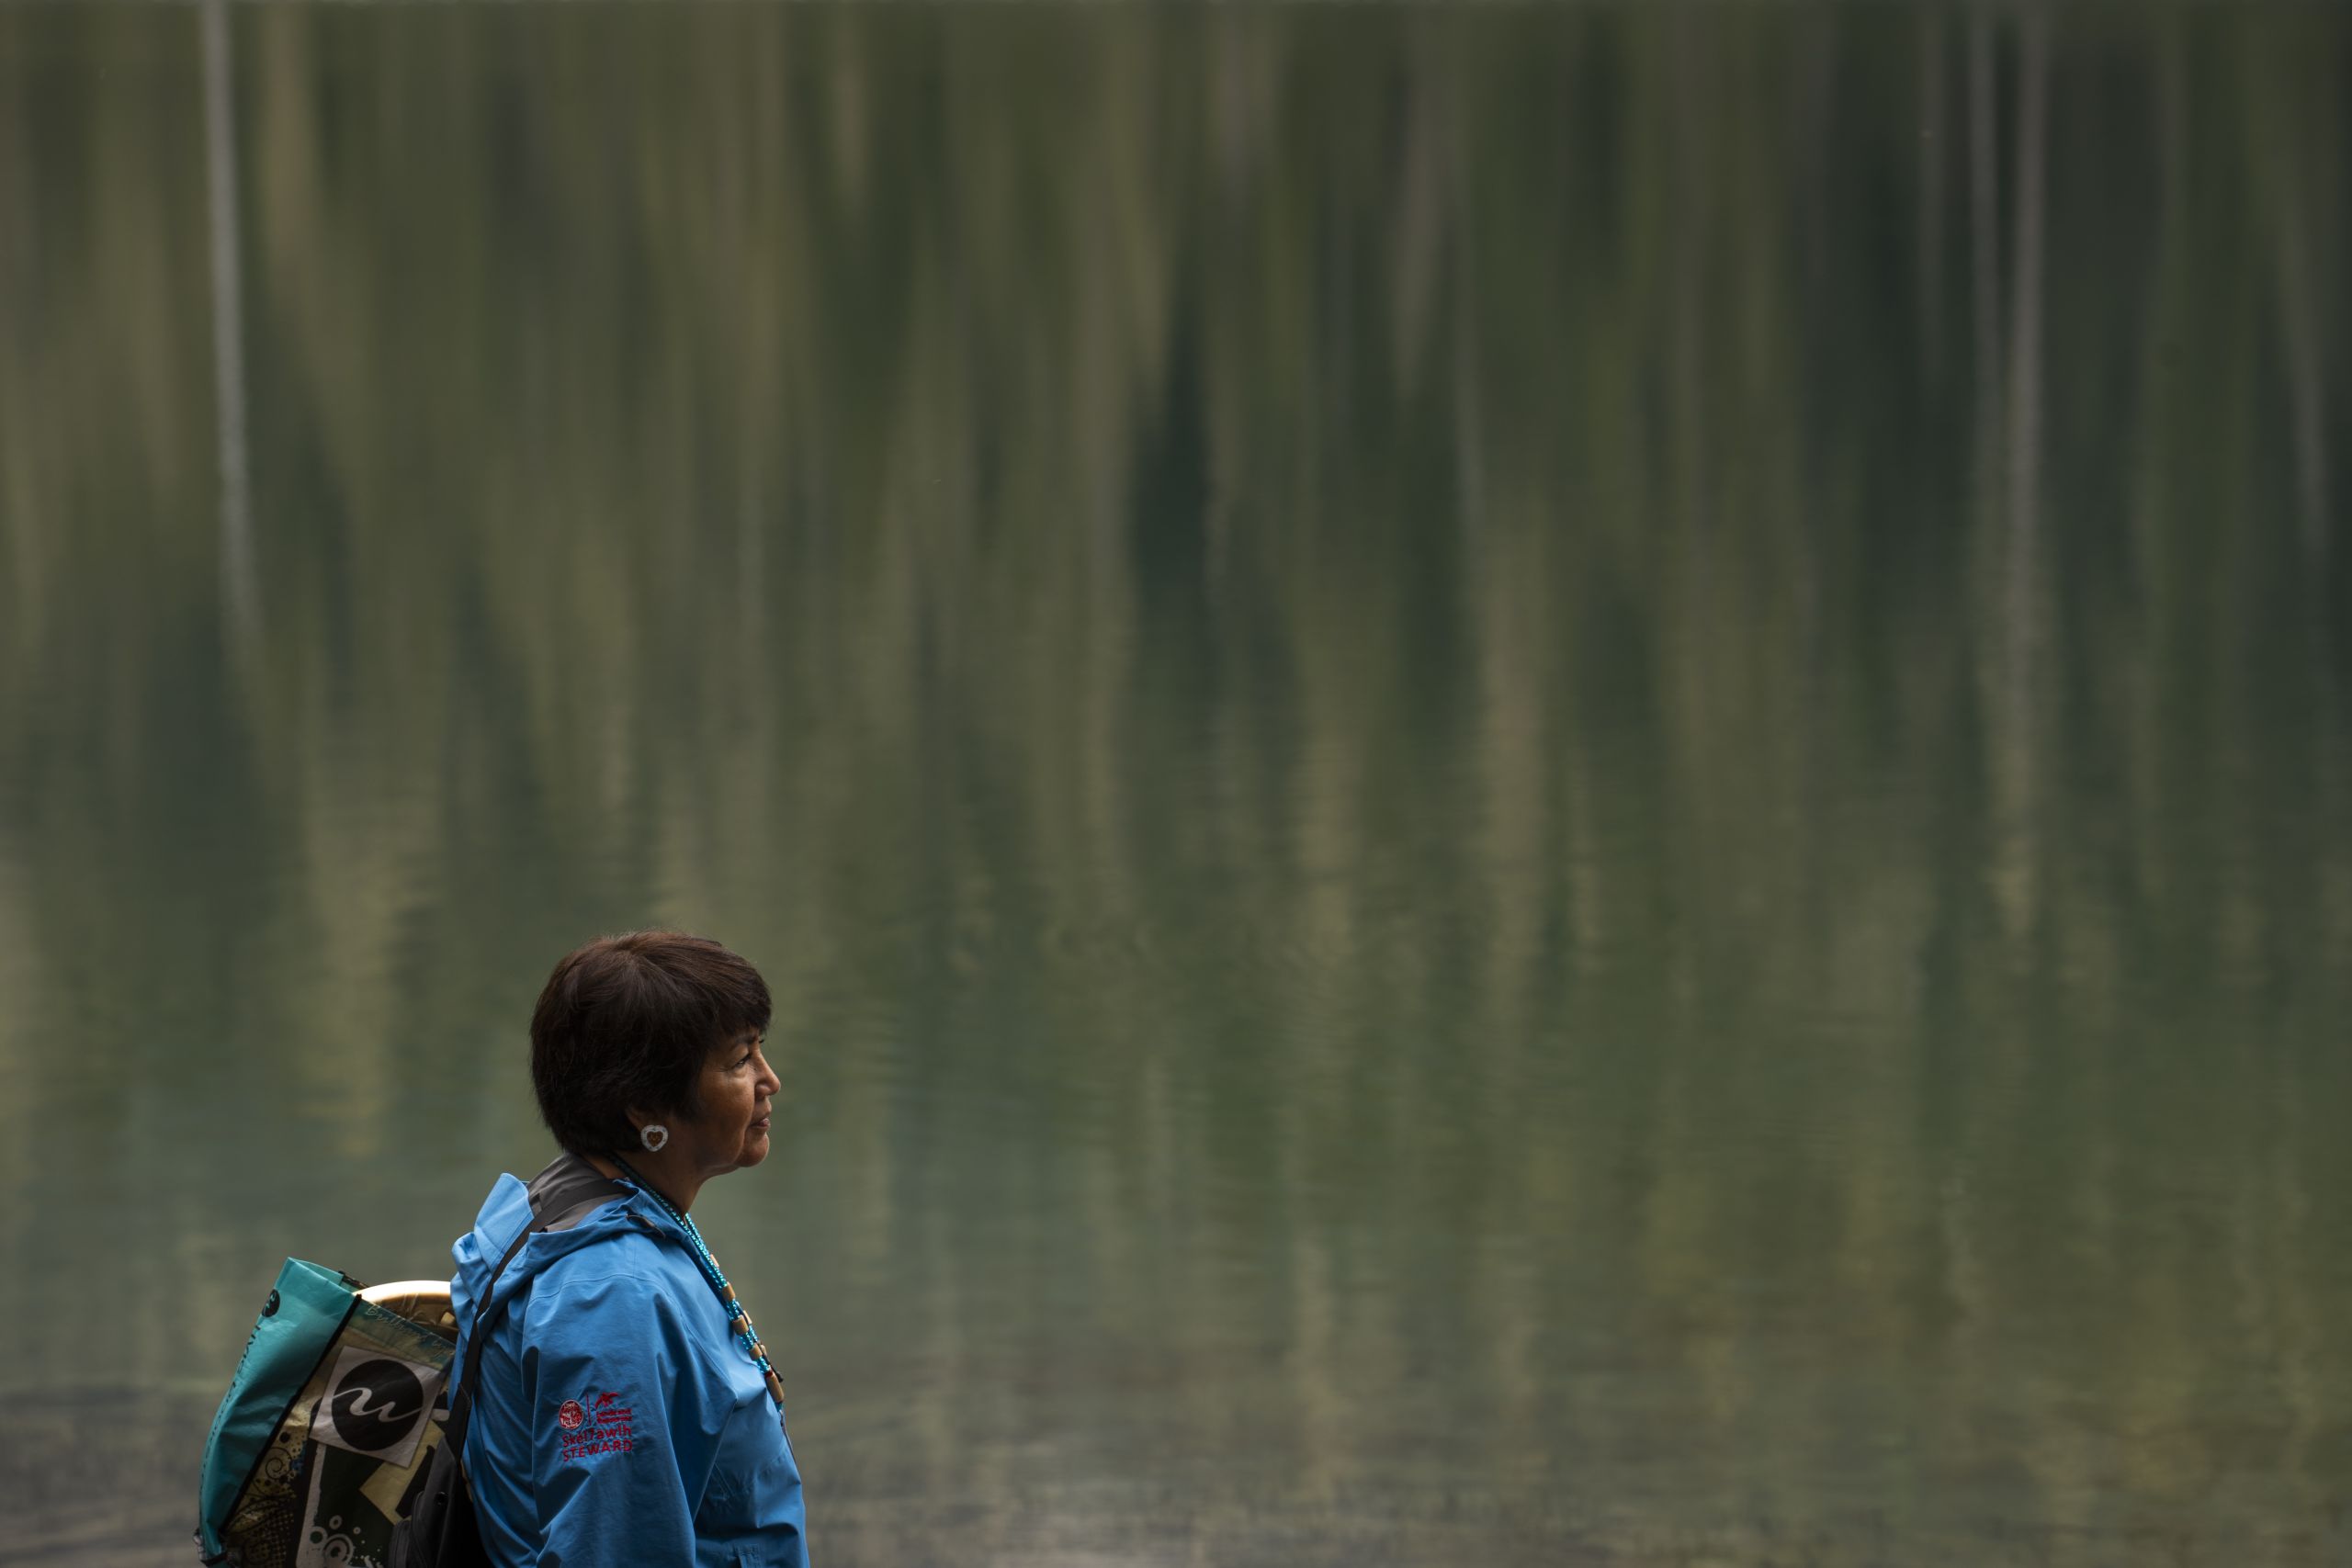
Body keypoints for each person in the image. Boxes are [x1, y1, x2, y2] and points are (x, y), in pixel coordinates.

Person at [447, 931, 809, 1568]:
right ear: (644, 1105)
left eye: (760, 1050)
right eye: (738, 1060)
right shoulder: (614, 1297)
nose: (769, 1080)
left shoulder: (554, 1209)